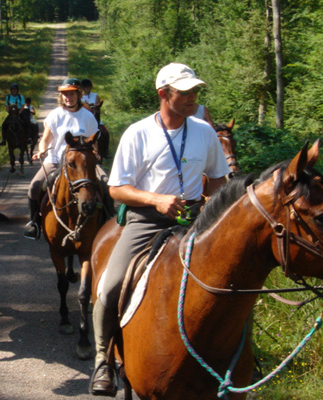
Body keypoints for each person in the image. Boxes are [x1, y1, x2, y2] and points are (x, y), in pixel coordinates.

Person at [88, 63, 229, 396]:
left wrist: (213, 204)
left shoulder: (204, 131)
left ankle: (237, 358)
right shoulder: (138, 133)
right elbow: (117, 188)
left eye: (196, 91)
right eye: (185, 92)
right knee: (110, 287)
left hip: (195, 219)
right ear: (164, 94)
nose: (193, 97)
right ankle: (103, 360)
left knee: (230, 281)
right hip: (146, 220)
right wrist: (156, 200)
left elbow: (219, 178)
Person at [23, 78, 100, 240]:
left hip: (82, 163)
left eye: (71, 94)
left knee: (105, 182)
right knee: (34, 187)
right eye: (65, 94)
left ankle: (107, 219)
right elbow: (45, 138)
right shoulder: (55, 115)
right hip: (56, 159)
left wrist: (96, 153)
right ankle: (34, 223)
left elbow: (94, 140)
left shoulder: (87, 116)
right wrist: (42, 151)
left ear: (78, 94)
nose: (68, 98)